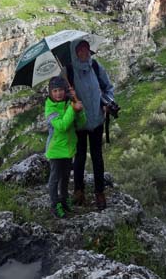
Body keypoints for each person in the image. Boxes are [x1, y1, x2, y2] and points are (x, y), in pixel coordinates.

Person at [67, 38, 114, 210]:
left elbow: (108, 88)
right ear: (75, 52)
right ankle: (78, 191)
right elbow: (59, 97)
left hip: (96, 119)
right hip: (79, 122)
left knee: (97, 157)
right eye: (80, 50)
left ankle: (99, 193)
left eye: (86, 49)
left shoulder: (95, 67)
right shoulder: (68, 72)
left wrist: (108, 103)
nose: (84, 52)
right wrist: (70, 99)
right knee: (79, 157)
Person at [45, 76, 86, 219]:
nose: (58, 93)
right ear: (50, 92)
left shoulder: (69, 103)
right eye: (55, 91)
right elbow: (61, 126)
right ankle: (54, 204)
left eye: (61, 90)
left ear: (65, 90)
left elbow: (81, 123)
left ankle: (64, 200)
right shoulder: (50, 108)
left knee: (65, 177)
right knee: (55, 179)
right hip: (56, 150)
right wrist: (72, 109)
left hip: (68, 149)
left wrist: (78, 108)